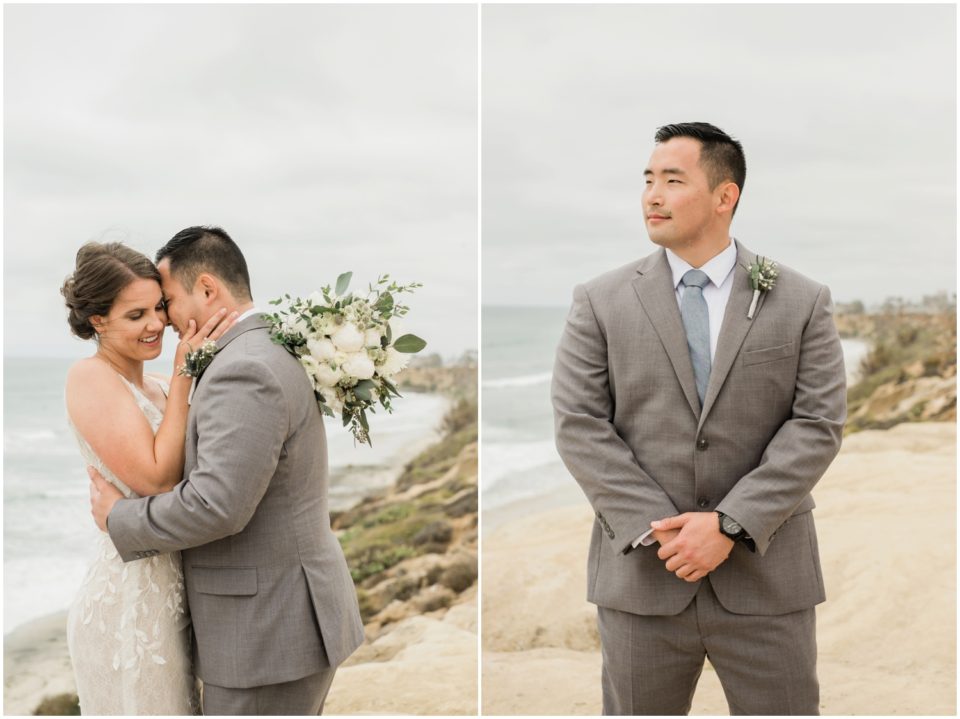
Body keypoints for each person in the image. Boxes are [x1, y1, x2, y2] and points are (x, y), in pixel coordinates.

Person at [551, 122, 846, 715]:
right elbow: (579, 423)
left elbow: (817, 424)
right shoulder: (600, 299)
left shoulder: (801, 298)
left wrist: (729, 524)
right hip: (644, 576)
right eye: (648, 180)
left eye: (673, 180)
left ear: (724, 196)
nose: (652, 195)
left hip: (767, 581)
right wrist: (664, 529)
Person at [89, 226, 365, 715]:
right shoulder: (262, 348)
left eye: (167, 301)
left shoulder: (244, 367)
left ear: (208, 290)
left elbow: (216, 506)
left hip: (265, 632)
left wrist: (118, 518)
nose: (165, 319)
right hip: (278, 619)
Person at [62, 241, 238, 714]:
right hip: (130, 601)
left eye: (159, 307)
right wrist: (186, 373)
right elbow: (158, 481)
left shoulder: (158, 386)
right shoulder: (90, 377)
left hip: (178, 593)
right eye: (135, 315)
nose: (157, 323)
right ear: (98, 321)